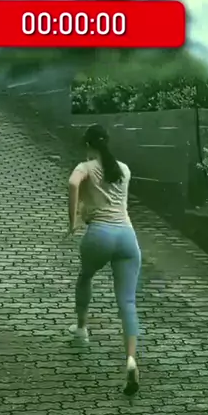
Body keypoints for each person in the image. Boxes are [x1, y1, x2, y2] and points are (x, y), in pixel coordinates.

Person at [67, 124, 141, 396]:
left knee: (85, 277)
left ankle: (81, 329)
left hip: (100, 234)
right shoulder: (124, 169)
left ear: (88, 145)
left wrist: (73, 221)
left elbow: (73, 183)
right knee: (128, 302)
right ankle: (131, 359)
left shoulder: (85, 168)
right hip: (127, 237)